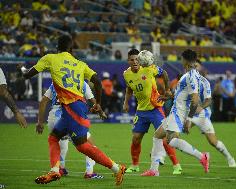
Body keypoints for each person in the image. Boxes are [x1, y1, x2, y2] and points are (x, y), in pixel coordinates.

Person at [21, 35, 126, 185]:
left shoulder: (50, 58)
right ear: (71, 49)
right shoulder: (80, 64)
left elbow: (27, 75)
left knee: (83, 146)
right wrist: (99, 104)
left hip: (72, 109)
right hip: (74, 108)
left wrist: (23, 69)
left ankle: (117, 168)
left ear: (57, 48)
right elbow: (97, 81)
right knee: (53, 138)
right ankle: (55, 171)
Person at [141, 49, 209, 176]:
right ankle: (154, 169)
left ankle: (202, 156)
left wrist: (189, 119)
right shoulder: (188, 74)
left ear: (185, 60)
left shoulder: (191, 76)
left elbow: (194, 99)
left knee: (171, 141)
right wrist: (168, 97)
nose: (180, 61)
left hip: (179, 113)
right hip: (176, 111)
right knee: (157, 136)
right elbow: (183, 95)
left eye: (181, 59)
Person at [123, 49, 182, 175]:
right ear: (128, 61)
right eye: (132, 59)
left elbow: (165, 73)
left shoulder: (150, 69)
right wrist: (126, 102)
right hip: (141, 111)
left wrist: (167, 90)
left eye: (136, 59)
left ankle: (177, 165)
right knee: (136, 139)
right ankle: (134, 165)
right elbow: (129, 88)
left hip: (155, 108)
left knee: (165, 138)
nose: (134, 61)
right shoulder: (126, 74)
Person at [37, 82, 104, 179]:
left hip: (52, 119)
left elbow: (43, 101)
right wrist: (100, 111)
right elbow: (93, 100)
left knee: (62, 142)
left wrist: (40, 122)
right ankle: (89, 172)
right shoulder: (81, 82)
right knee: (89, 144)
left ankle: (61, 169)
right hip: (68, 117)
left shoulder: (56, 82)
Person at [187, 62, 236, 167]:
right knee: (173, 133)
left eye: (196, 66)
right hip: (190, 113)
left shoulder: (204, 82)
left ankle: (229, 158)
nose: (194, 68)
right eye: (193, 66)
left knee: (213, 142)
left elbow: (209, 100)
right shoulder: (187, 79)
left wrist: (200, 107)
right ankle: (160, 155)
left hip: (201, 115)